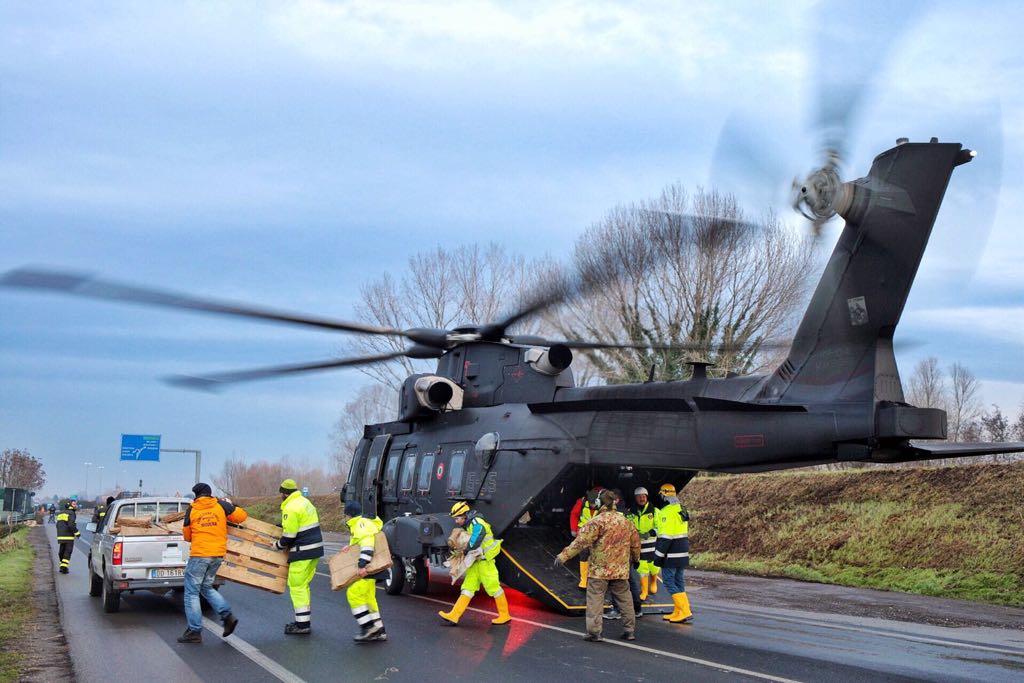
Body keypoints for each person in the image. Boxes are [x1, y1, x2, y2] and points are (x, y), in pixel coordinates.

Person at [556, 489, 640, 641]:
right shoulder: (626, 522)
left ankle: (594, 633)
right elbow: (635, 544)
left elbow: (581, 542)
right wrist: (636, 559)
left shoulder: (597, 521)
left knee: (595, 599)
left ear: (599, 503)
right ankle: (629, 631)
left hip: (599, 571)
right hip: (620, 570)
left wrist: (564, 556)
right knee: (625, 600)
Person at [178, 482, 246, 644]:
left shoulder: (192, 509)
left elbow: (187, 536)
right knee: (206, 587)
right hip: (217, 554)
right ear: (210, 493)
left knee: (191, 593)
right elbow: (241, 516)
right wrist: (231, 505)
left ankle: (194, 630)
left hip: (200, 554)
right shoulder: (221, 505)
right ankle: (227, 616)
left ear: (196, 495)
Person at [438, 501, 512, 627]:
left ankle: (505, 615)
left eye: (457, 518)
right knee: (467, 588)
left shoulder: (476, 522)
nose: (456, 521)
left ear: (464, 515)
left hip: (485, 562)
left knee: (493, 588)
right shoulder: (470, 524)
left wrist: (467, 548)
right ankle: (454, 615)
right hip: (477, 561)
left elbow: (479, 533)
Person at [272, 479, 325, 635]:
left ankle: (302, 625)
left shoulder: (290, 507)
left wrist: (276, 546)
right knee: (304, 586)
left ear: (284, 493)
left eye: (281, 493)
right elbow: (303, 524)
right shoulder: (305, 502)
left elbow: (289, 537)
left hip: (302, 551)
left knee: (296, 586)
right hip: (315, 550)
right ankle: (303, 621)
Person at [343, 500, 388, 642]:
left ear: (349, 515)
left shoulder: (360, 525)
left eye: (345, 515)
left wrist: (362, 566)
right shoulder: (365, 523)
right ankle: (379, 630)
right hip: (374, 568)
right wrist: (349, 547)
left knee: (354, 594)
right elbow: (362, 543)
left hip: (368, 568)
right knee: (369, 599)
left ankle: (368, 628)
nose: (345, 518)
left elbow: (367, 545)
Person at [653, 483, 693, 624]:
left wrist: (658, 556)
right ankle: (679, 611)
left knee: (669, 582)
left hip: (671, 554)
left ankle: (685, 610)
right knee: (679, 581)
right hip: (682, 552)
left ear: (663, 495)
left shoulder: (666, 512)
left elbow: (666, 537)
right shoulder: (681, 509)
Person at [627, 487, 661, 601]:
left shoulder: (655, 511)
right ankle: (644, 590)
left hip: (652, 544)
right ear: (635, 498)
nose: (642, 498)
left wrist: (650, 533)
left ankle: (654, 582)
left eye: (643, 496)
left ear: (647, 497)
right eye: (639, 496)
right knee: (642, 568)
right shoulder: (631, 512)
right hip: (639, 545)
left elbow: (660, 526)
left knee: (654, 566)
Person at [568, 485, 603, 589]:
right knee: (583, 556)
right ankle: (583, 579)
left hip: (597, 535)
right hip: (583, 534)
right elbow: (574, 514)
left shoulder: (603, 505)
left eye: (594, 503)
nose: (592, 505)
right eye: (591, 503)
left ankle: (595, 579)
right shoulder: (582, 502)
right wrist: (574, 529)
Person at [55, 500, 80, 574]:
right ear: (70, 506)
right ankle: (64, 568)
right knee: (68, 551)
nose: (76, 505)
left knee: (61, 551)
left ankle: (62, 565)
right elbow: (71, 525)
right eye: (74, 504)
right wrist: (77, 533)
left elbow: (57, 525)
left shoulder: (60, 513)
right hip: (68, 536)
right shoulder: (72, 513)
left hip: (60, 535)